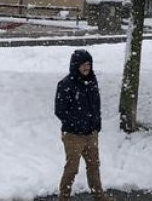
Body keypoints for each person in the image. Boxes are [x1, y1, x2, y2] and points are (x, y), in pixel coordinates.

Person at [55, 49, 110, 201]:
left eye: (89, 64)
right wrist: (76, 123)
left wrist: (96, 124)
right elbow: (60, 111)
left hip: (91, 133)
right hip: (73, 135)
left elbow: (96, 104)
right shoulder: (65, 84)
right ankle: (64, 197)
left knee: (94, 166)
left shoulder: (92, 81)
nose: (87, 67)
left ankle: (99, 196)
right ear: (76, 66)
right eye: (83, 65)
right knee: (72, 168)